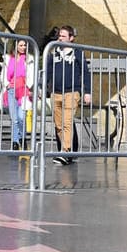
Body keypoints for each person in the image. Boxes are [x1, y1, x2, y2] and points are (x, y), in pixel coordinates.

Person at [47, 26, 92, 165]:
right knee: (58, 125)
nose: (60, 38)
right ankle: (66, 150)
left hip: (72, 92)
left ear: (71, 38)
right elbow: (48, 71)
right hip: (56, 92)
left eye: (64, 36)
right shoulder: (55, 52)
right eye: (60, 35)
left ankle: (65, 152)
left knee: (67, 123)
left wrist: (87, 92)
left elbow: (85, 72)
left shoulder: (77, 52)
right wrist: (42, 87)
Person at [2, 41, 32, 150]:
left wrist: (29, 86)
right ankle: (15, 141)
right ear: (15, 46)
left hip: (23, 90)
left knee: (21, 117)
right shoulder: (8, 58)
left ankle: (22, 138)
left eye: (25, 45)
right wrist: (7, 85)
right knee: (14, 118)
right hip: (11, 90)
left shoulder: (29, 59)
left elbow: (31, 74)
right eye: (21, 45)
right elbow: (4, 74)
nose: (23, 47)